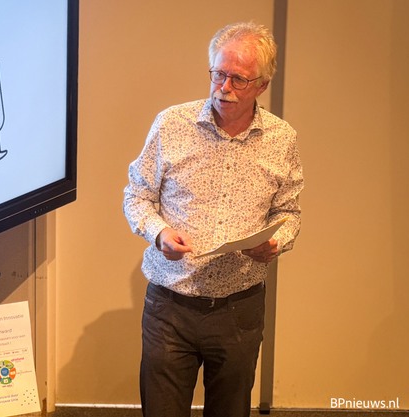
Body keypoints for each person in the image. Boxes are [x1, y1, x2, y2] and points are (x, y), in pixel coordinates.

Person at [123, 22, 303, 417]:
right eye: (218, 74)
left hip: (240, 307)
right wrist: (159, 233)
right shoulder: (172, 124)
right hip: (170, 306)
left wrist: (276, 243)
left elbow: (288, 212)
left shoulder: (281, 138)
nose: (224, 87)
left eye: (239, 79)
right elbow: (136, 195)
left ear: (262, 85)